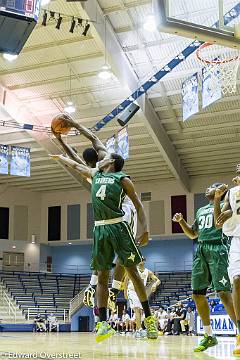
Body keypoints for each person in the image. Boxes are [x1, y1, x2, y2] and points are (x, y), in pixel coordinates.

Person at [49, 151, 158, 342]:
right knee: (102, 275)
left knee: (132, 273)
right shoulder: (96, 174)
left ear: (112, 162)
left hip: (119, 227)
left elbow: (138, 204)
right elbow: (77, 167)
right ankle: (103, 323)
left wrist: (146, 229)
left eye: (106, 156)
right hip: (100, 228)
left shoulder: (122, 179)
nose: (102, 157)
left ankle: (149, 319)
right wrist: (61, 157)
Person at [52, 116, 137, 311]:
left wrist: (60, 140)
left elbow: (73, 158)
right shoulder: (102, 169)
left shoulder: (93, 173)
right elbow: (92, 138)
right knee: (121, 254)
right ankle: (112, 291)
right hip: (124, 209)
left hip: (110, 213)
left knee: (108, 250)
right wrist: (74, 124)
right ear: (101, 158)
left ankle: (94, 285)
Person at [172, 182, 236, 352]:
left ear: (220, 192)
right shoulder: (200, 210)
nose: (207, 188)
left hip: (218, 248)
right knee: (197, 294)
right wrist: (181, 221)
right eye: (207, 187)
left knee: (223, 293)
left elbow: (219, 223)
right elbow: (193, 234)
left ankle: (239, 334)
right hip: (201, 249)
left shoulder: (225, 204)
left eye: (211, 187)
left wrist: (219, 198)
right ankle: (209, 335)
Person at [214, 165, 240, 355]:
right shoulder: (232, 192)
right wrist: (218, 201)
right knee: (237, 281)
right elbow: (218, 221)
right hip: (237, 240)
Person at [124, 259, 161, 338]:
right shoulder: (133, 270)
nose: (141, 261)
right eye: (139, 259)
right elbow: (126, 280)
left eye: (142, 259)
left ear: (144, 261)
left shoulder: (148, 271)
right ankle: (139, 330)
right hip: (131, 291)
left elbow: (158, 280)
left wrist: (155, 284)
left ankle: (138, 331)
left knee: (140, 312)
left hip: (140, 292)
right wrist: (125, 292)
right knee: (137, 309)